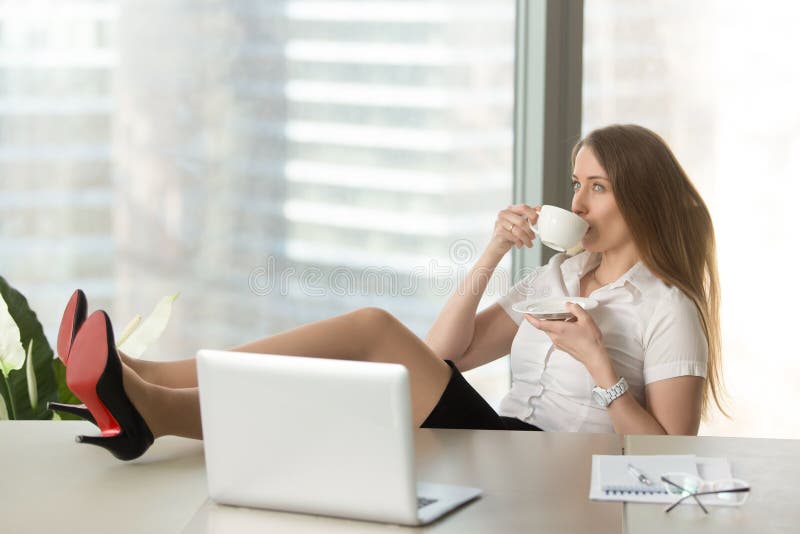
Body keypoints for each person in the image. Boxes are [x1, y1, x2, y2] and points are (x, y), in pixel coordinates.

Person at [50, 124, 724, 461]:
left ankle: (154, 403)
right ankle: (147, 385)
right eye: (575, 183)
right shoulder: (561, 278)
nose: (575, 200)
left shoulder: (668, 310)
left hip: (556, 470)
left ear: (642, 197)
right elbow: (443, 354)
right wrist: (492, 252)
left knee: (372, 332)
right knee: (354, 374)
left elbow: (671, 457)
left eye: (596, 186)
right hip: (501, 447)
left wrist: (600, 366)